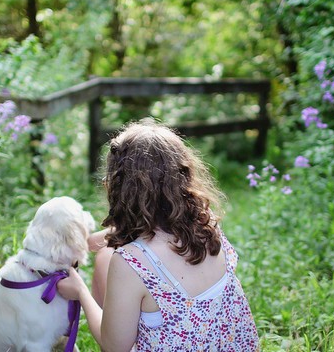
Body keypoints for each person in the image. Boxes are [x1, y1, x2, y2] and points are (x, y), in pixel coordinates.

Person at [56, 120, 259, 351]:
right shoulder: (206, 223)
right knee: (104, 255)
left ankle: (116, 319)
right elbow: (144, 233)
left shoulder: (130, 262)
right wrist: (90, 241)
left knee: (105, 259)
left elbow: (114, 348)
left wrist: (81, 292)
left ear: (120, 188)